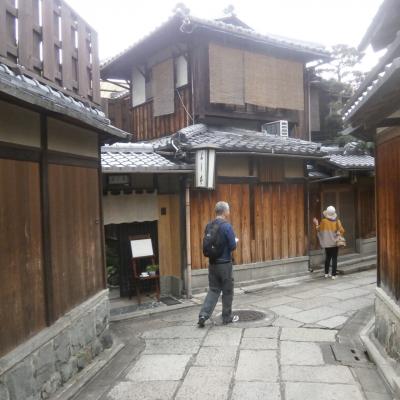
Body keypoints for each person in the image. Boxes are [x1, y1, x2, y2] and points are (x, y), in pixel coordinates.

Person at [198, 201, 239, 327]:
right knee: (227, 291)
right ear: (225, 212)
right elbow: (232, 246)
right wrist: (235, 241)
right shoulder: (227, 226)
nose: (229, 212)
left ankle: (203, 315)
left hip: (212, 264)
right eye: (228, 210)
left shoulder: (209, 226)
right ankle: (226, 317)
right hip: (225, 264)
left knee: (213, 290)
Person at [313, 205, 345, 280]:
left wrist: (316, 223)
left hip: (327, 243)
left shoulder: (324, 221)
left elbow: (319, 229)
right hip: (335, 243)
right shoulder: (337, 221)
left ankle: (326, 273)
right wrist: (338, 232)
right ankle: (333, 275)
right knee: (334, 259)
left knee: (327, 258)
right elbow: (342, 231)